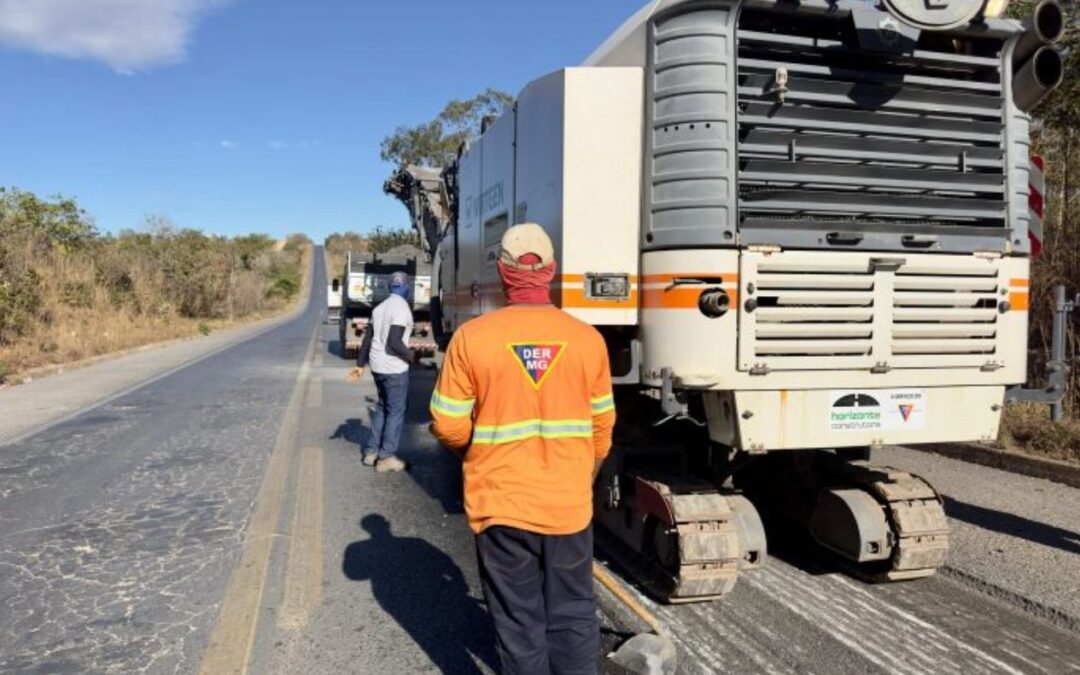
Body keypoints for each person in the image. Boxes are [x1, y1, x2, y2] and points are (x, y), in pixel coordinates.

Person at [428, 223, 616, 675]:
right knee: (572, 612)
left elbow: (447, 423)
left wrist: (476, 455)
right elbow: (603, 426)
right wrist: (582, 475)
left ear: (502, 271)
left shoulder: (472, 338)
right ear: (551, 271)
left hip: (502, 504)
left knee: (518, 620)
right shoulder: (588, 339)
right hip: (567, 506)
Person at [347, 270, 414, 473]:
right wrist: (412, 356)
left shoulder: (379, 307)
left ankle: (371, 453)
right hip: (394, 367)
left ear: (389, 287)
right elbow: (394, 342)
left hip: (377, 366)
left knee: (382, 408)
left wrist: (360, 364)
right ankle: (386, 457)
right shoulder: (401, 308)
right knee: (395, 411)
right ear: (407, 288)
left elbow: (368, 339)